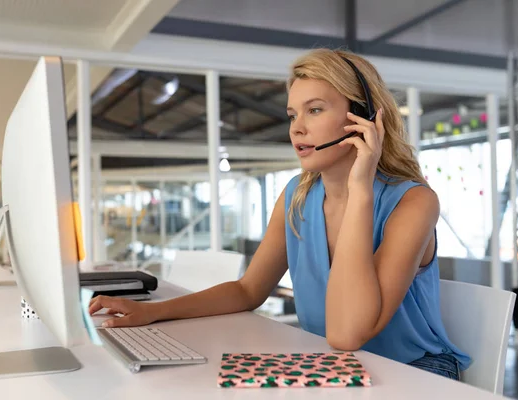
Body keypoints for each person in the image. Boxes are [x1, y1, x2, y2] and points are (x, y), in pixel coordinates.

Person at [89, 48, 471, 380]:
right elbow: (247, 290)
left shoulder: (414, 202)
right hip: (336, 366)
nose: (297, 129)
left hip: (415, 372)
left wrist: (360, 190)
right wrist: (153, 312)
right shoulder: (297, 196)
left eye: (315, 110)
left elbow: (347, 334)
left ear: (364, 118)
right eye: (292, 115)